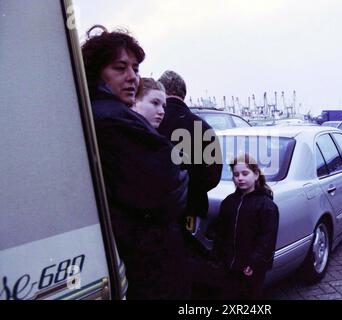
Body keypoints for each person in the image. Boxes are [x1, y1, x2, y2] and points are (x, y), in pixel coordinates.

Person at [81, 25, 189, 299]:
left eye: (136, 69)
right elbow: (167, 190)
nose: (132, 77)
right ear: (96, 72)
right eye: (120, 68)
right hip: (148, 260)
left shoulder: (96, 113)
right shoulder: (113, 119)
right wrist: (179, 174)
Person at [157, 70, 223, 250]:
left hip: (155, 211)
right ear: (184, 94)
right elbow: (213, 176)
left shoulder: (150, 122)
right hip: (192, 209)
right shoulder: (203, 128)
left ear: (161, 91)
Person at [208, 154, 279, 299]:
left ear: (256, 175)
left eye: (245, 173)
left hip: (252, 268)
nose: (240, 178)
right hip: (229, 266)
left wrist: (253, 263)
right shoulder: (229, 202)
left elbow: (267, 240)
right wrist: (218, 256)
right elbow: (221, 232)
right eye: (236, 174)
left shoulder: (266, 206)